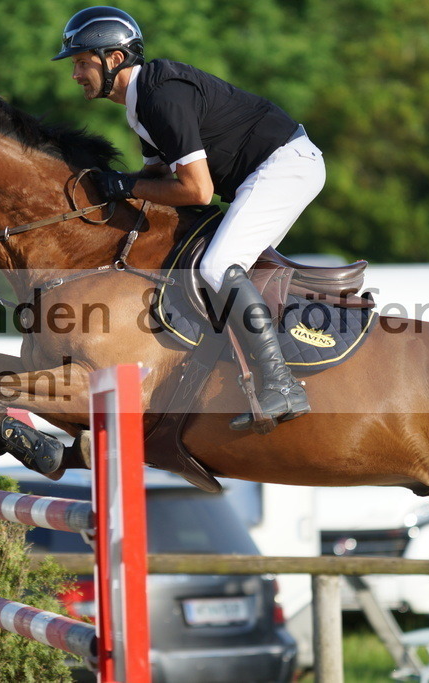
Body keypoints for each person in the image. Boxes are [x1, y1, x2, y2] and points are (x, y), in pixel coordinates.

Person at [52, 6, 326, 431]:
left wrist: (124, 186)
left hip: (286, 166)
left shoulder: (161, 97)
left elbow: (196, 191)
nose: (75, 74)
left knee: (218, 266)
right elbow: (157, 177)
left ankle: (281, 383)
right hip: (264, 171)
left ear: (115, 59)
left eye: (82, 62)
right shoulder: (140, 106)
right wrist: (110, 190)